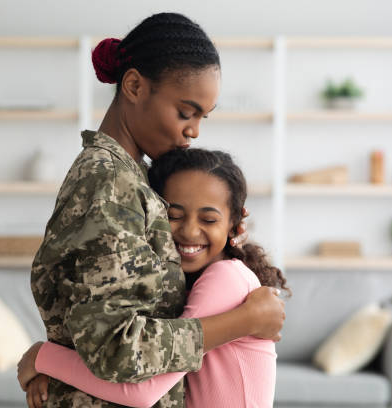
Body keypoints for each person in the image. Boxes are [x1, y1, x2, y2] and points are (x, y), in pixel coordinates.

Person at [24, 12, 285, 407]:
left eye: (202, 117)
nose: (194, 130)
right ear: (133, 86)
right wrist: (243, 322)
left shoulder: (138, 180)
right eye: (186, 112)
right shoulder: (109, 183)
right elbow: (117, 349)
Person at [19, 148, 291, 408]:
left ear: (235, 226)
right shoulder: (189, 280)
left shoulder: (225, 278)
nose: (189, 231)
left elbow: (143, 389)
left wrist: (43, 358)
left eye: (208, 220)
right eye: (174, 216)